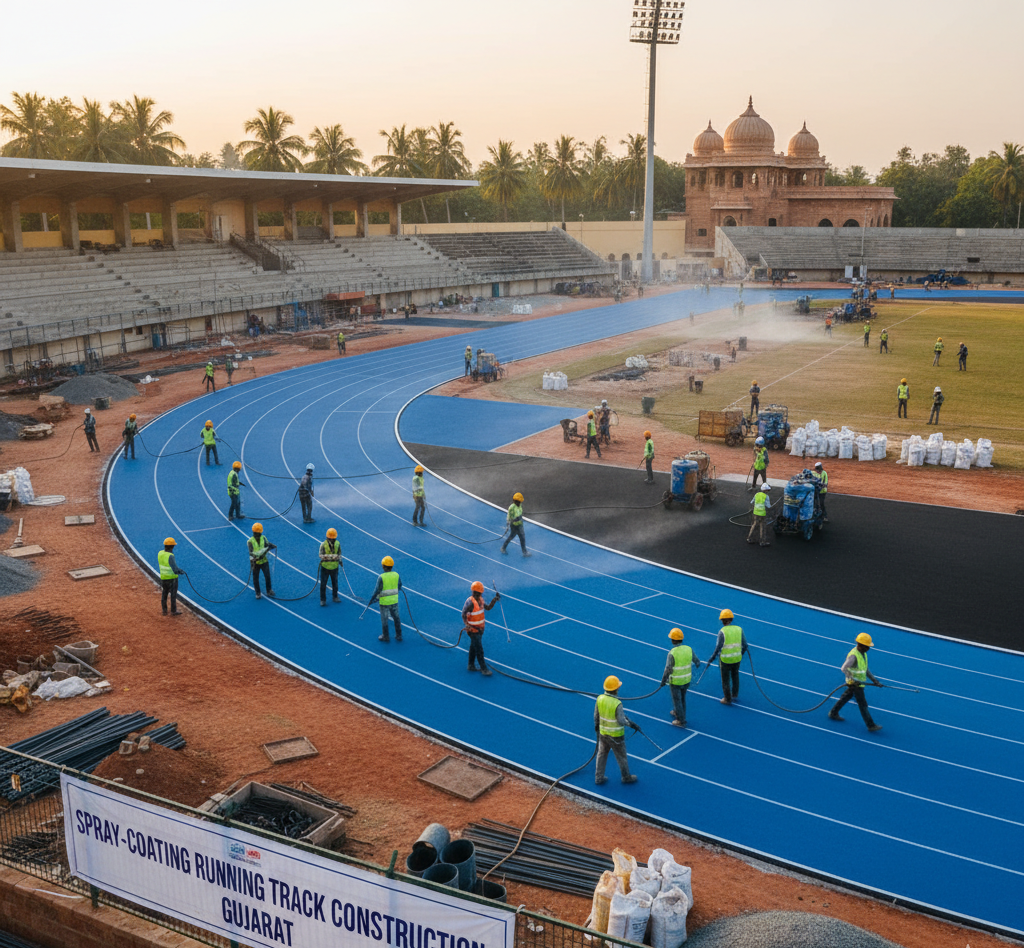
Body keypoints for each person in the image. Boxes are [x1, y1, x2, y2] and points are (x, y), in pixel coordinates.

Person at [828, 632, 883, 732]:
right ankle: (870, 725)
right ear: (860, 645)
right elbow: (843, 668)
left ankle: (833, 712)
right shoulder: (853, 656)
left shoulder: (863, 654)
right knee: (862, 704)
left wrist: (875, 680)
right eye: (867, 646)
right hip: (855, 684)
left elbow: (865, 669)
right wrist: (852, 679)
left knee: (846, 697)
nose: (869, 648)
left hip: (859, 683)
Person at [594, 675, 638, 785]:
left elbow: (596, 716)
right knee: (621, 756)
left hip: (603, 733)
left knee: (601, 754)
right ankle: (626, 777)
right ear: (616, 689)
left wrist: (597, 727)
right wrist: (631, 724)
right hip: (616, 736)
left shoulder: (600, 699)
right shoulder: (617, 703)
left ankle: (598, 777)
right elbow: (621, 720)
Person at [660, 628, 701, 728]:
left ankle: (681, 720)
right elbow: (697, 661)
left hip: (676, 681)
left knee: (677, 700)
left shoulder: (672, 653)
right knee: (682, 698)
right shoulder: (688, 649)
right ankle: (678, 712)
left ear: (673, 640)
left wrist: (663, 681)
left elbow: (668, 669)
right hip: (686, 679)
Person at [708, 609, 747, 705]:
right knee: (735, 675)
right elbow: (745, 645)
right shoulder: (739, 629)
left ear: (722, 620)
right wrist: (740, 654)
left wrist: (712, 657)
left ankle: (727, 698)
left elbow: (718, 647)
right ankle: (734, 694)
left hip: (725, 660)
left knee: (725, 679)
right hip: (737, 659)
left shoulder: (722, 632)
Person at [462, 580, 501, 675]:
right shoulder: (470, 603)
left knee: (473, 647)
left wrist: (494, 600)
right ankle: (484, 669)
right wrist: (467, 624)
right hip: (473, 630)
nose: (480, 594)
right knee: (479, 649)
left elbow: (487, 608)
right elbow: (463, 614)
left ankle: (470, 665)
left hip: (480, 629)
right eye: (478, 593)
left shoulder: (480, 600)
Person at [369, 555, 402, 642]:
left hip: (384, 602)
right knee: (396, 618)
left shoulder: (381, 577)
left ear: (383, 566)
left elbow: (377, 590)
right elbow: (399, 585)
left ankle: (385, 636)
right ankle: (399, 635)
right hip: (394, 600)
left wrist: (372, 599)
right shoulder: (396, 575)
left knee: (384, 619)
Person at [247, 523, 276, 600]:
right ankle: (258, 592)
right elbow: (251, 553)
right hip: (255, 562)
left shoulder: (263, 538)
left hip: (264, 561)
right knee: (255, 578)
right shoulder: (250, 541)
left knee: (267, 576)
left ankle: (269, 590)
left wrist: (272, 546)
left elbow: (267, 544)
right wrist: (255, 559)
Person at [157, 537, 184, 616]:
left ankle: (164, 610)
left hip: (163, 577)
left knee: (164, 594)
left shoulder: (160, 553)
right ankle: (173, 610)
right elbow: (175, 569)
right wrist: (181, 571)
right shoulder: (170, 556)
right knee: (173, 595)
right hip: (172, 579)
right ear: (172, 546)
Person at [500, 492, 530, 556]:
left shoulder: (520, 505)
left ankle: (524, 552)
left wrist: (521, 517)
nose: (519, 503)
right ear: (515, 501)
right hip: (514, 526)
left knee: (522, 538)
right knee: (511, 537)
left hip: (520, 524)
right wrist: (510, 522)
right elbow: (510, 517)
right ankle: (503, 547)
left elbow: (520, 513)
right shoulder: (511, 507)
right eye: (518, 502)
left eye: (520, 502)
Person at [319, 528, 342, 606]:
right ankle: (323, 600)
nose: (332, 540)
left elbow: (339, 553)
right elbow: (321, 555)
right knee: (323, 583)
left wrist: (340, 560)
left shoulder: (338, 544)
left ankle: (335, 596)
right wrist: (332, 557)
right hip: (325, 567)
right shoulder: (323, 544)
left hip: (335, 567)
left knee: (335, 583)